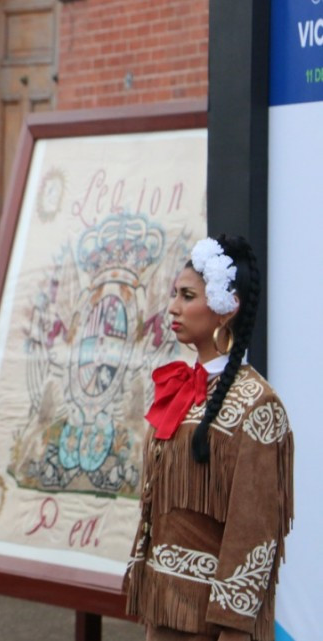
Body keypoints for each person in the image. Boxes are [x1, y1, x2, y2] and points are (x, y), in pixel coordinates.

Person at [124, 235, 293, 641]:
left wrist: (232, 630)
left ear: (224, 308)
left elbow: (254, 533)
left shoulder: (257, 404)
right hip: (163, 607)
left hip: (208, 622)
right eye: (173, 294)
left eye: (187, 295)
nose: (172, 307)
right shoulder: (180, 390)